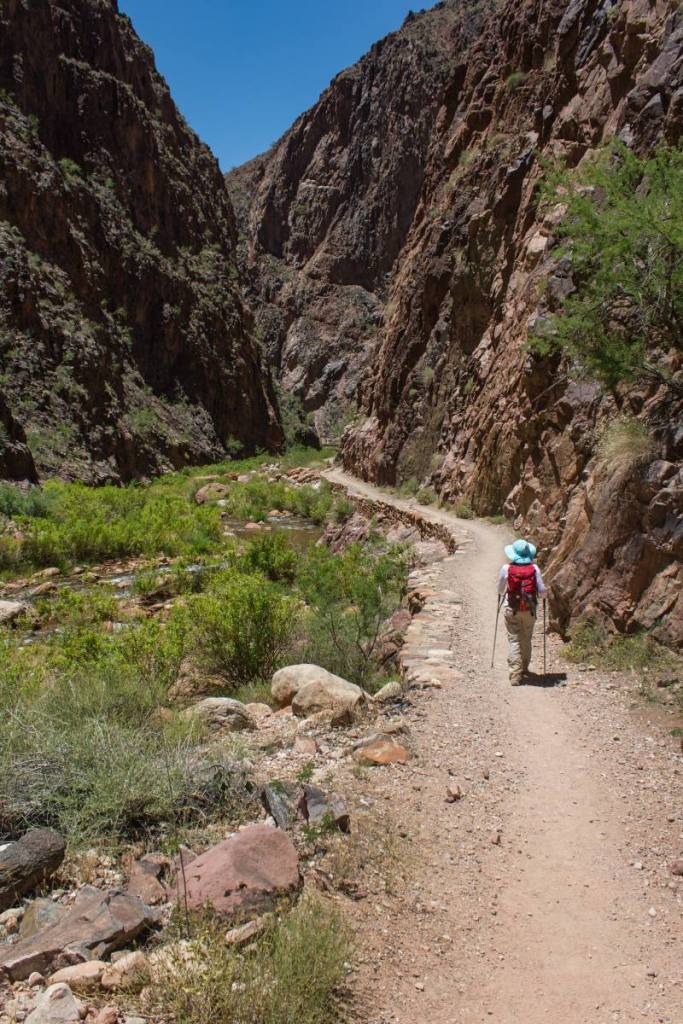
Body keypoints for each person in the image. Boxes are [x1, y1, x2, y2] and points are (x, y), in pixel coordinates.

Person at [497, 539, 547, 685]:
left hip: (511, 608)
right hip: (529, 610)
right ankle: (524, 668)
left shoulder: (506, 568)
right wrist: (544, 596)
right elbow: (542, 591)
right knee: (526, 638)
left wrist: (502, 593)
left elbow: (500, 589)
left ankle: (515, 674)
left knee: (514, 639)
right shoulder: (535, 569)